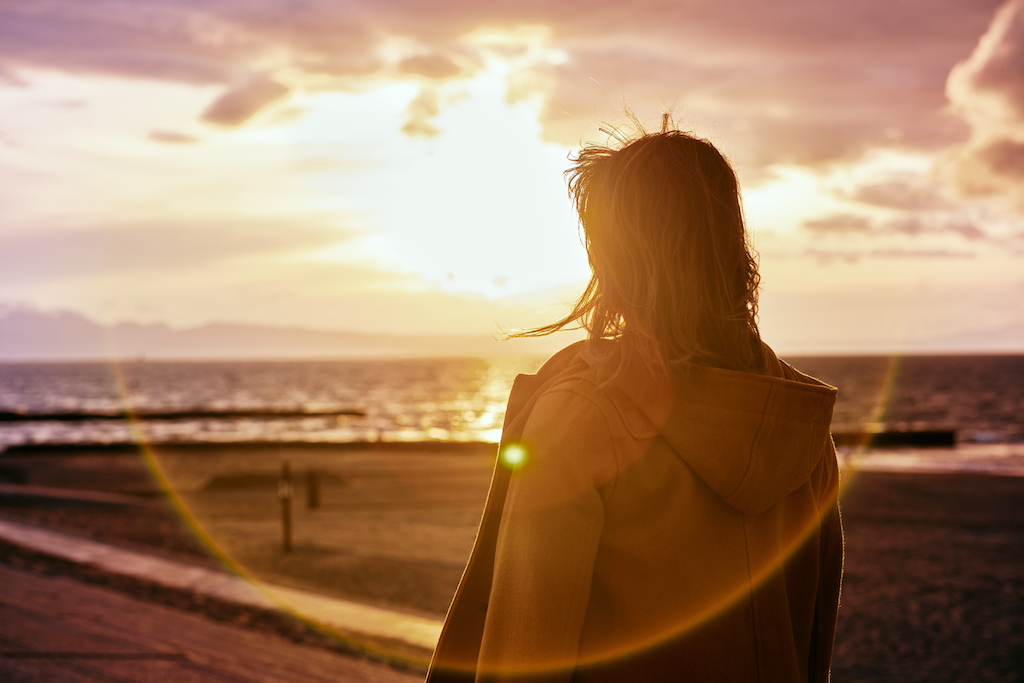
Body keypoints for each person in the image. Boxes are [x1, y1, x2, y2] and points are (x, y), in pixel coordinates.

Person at [426, 123, 843, 682]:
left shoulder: (582, 417)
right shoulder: (795, 419)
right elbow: (812, 644)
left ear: (614, 260)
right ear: (730, 249)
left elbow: (524, 655)